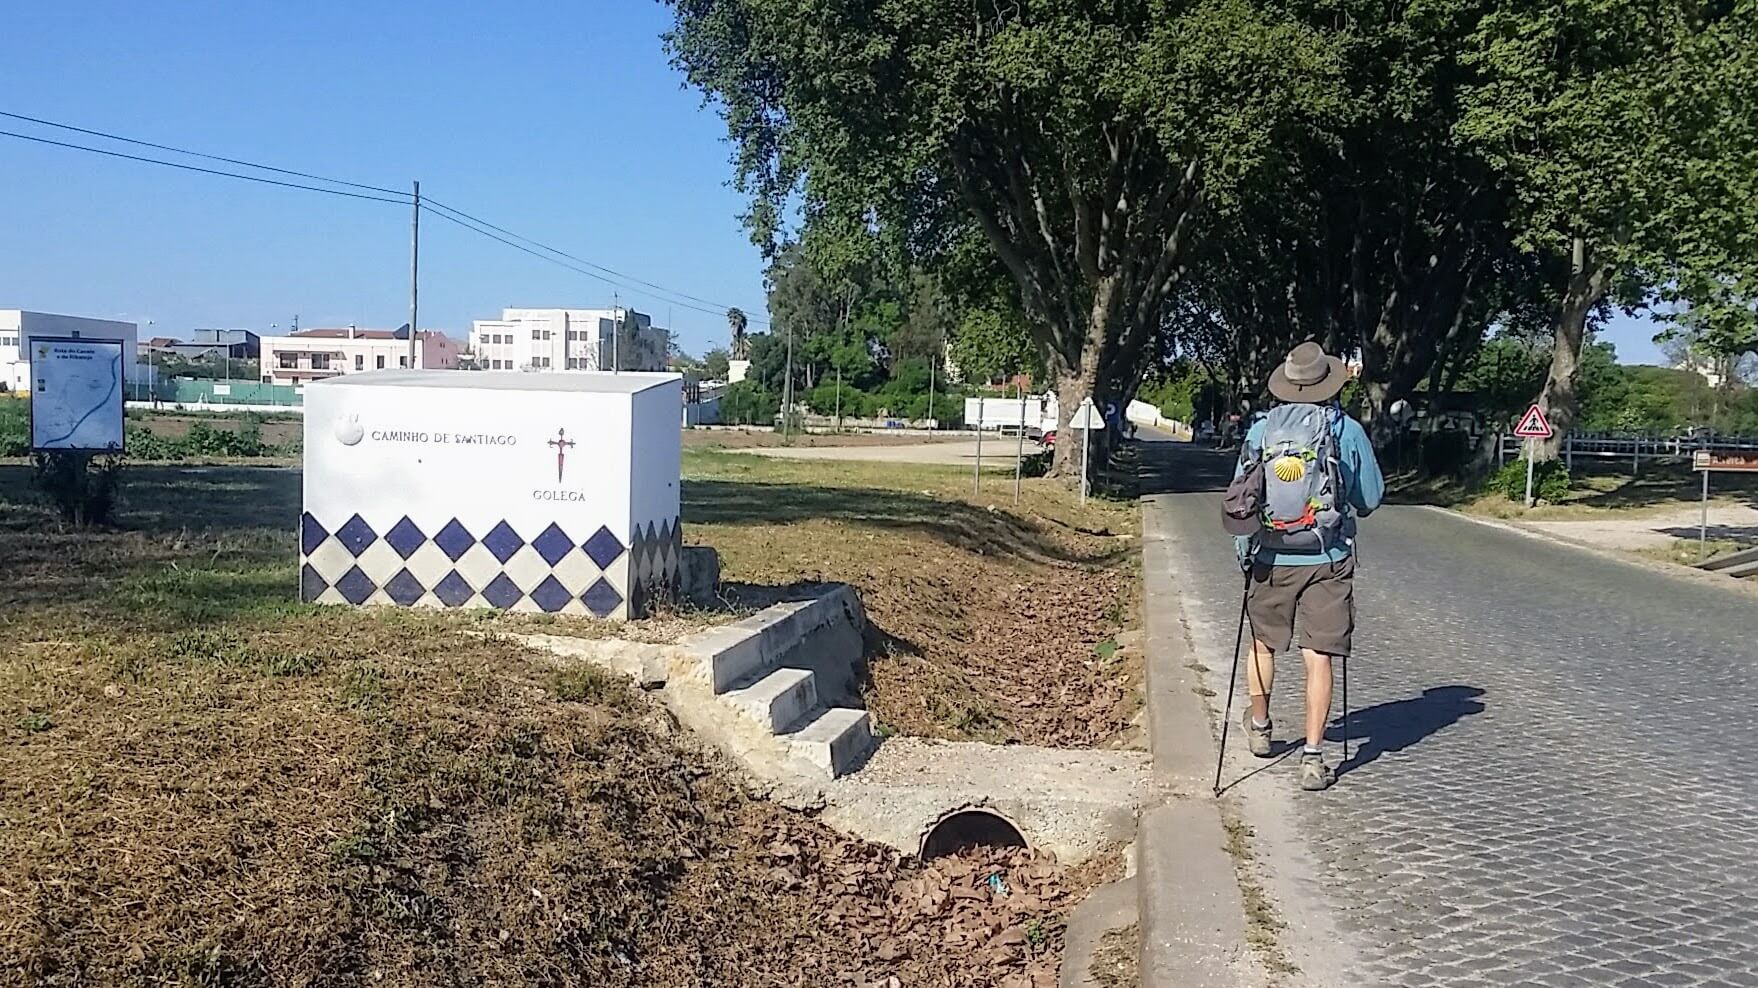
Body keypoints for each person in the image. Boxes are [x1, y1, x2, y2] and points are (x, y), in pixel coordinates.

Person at [1226, 342, 1384, 792]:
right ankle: (1313, 757)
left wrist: (1245, 549)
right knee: (1319, 658)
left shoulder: (1259, 431)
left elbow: (1243, 499)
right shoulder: (1346, 429)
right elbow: (1369, 499)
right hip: (1327, 559)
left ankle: (1259, 727)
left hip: (1271, 557)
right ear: (1328, 383)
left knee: (1263, 646)